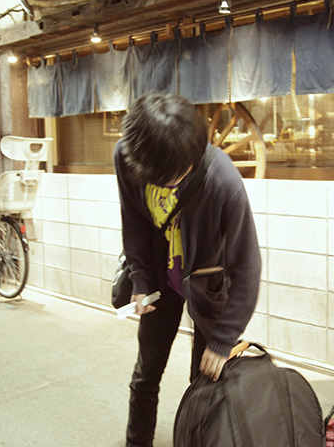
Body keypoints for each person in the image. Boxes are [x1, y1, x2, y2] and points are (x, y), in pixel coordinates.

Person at [114, 93, 261, 447]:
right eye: (164, 177)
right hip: (159, 281)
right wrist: (140, 280)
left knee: (205, 382)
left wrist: (223, 339)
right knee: (146, 374)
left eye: (179, 173)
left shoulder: (223, 181)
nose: (172, 183)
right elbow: (134, 222)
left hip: (208, 285)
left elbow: (247, 265)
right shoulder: (127, 156)